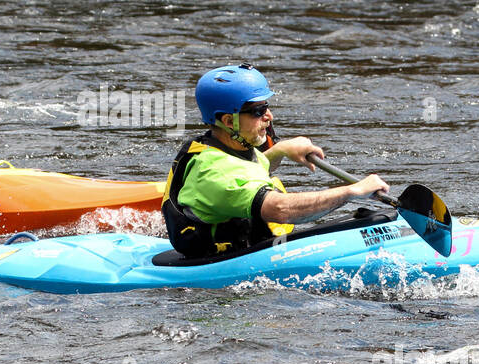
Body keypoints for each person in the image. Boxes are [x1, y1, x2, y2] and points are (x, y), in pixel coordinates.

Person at [162, 64, 389, 258]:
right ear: (229, 121)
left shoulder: (223, 147)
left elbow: (248, 173)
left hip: (243, 249)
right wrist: (353, 191)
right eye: (258, 111)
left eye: (267, 106)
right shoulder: (216, 172)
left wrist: (280, 150)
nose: (269, 116)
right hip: (222, 270)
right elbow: (280, 209)